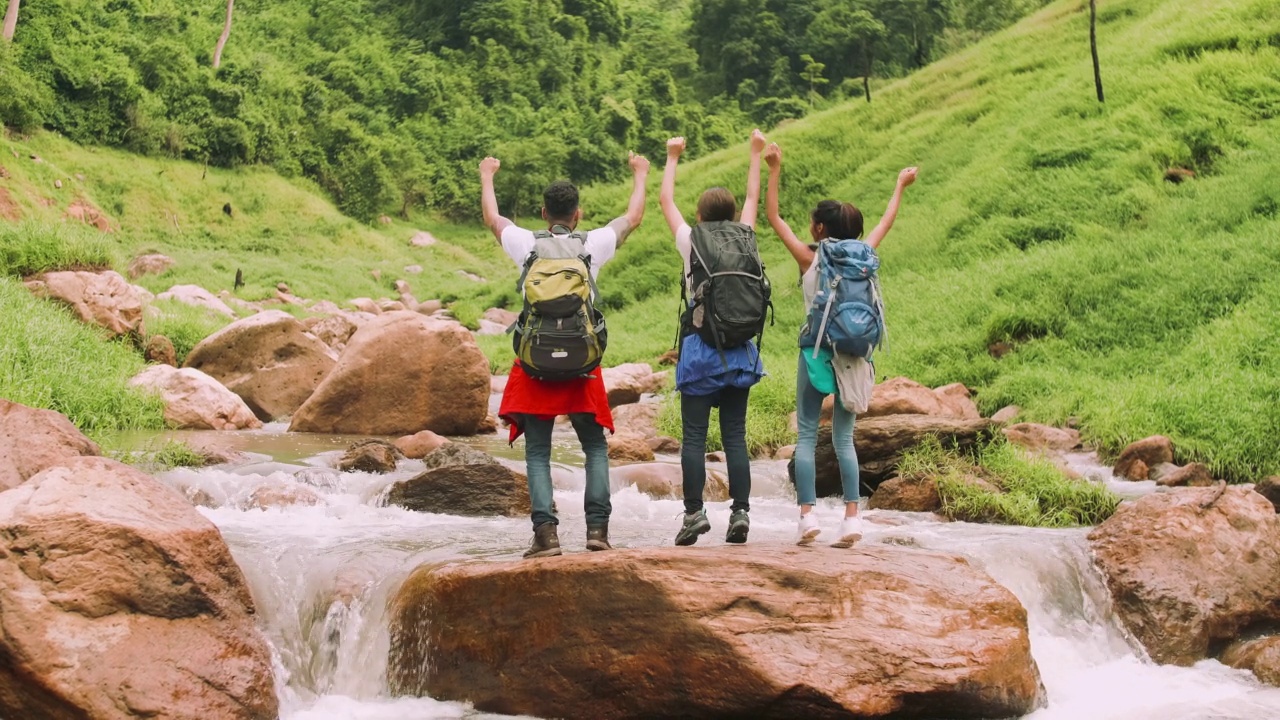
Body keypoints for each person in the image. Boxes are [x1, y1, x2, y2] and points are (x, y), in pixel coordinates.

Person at [480, 152, 651, 559]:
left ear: (544, 213)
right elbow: (633, 218)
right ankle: (597, 531)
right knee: (593, 447)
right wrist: (640, 173)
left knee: (538, 451)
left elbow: (493, 219)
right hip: (582, 363)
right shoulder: (593, 244)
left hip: (535, 363)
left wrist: (487, 175)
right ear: (578, 214)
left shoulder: (526, 243)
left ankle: (546, 536)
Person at [764, 141, 917, 547]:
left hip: (815, 353)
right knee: (844, 439)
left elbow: (772, 216)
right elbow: (886, 222)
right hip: (854, 355)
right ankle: (852, 519)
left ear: (818, 229)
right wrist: (900, 186)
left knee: (807, 438)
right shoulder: (865, 255)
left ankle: (807, 517)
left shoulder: (810, 258)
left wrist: (774, 167)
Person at [660, 130, 768, 546]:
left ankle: (694, 514)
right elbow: (754, 200)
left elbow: (666, 202)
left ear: (700, 217)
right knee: (735, 435)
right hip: (741, 352)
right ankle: (740, 512)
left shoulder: (691, 241)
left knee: (693, 436)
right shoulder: (746, 234)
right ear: (734, 212)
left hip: (701, 352)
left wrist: (673, 157)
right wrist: (755, 154)